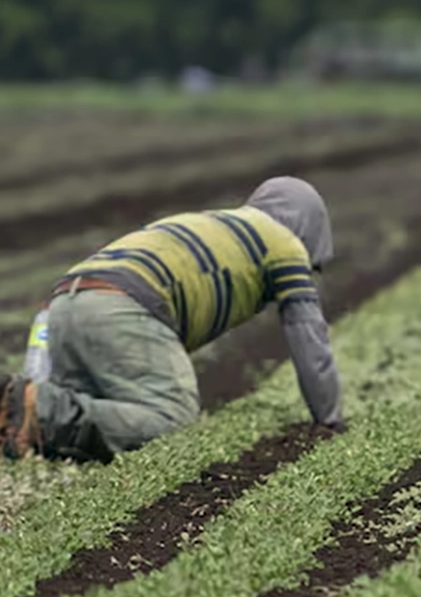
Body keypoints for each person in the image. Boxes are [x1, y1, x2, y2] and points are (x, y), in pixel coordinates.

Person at [0, 177, 343, 462]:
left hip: (66, 300)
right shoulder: (285, 246)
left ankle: (26, 418)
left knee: (92, 406)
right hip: (123, 304)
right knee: (171, 418)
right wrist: (329, 420)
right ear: (307, 228)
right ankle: (40, 409)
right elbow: (308, 336)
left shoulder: (219, 223)